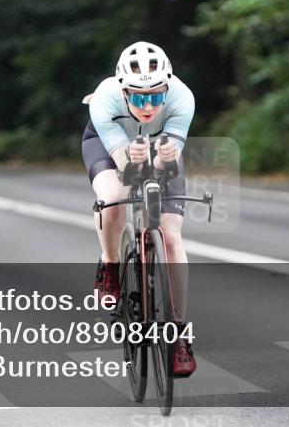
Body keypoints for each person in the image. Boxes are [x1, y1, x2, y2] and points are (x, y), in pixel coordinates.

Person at [82, 41, 197, 377]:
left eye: (156, 96)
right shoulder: (105, 99)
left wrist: (160, 162)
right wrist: (131, 160)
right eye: (138, 97)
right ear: (123, 91)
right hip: (108, 144)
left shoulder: (183, 98)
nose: (148, 106)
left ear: (168, 88)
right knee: (114, 199)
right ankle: (110, 263)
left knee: (172, 239)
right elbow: (126, 169)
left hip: (162, 147)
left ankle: (178, 335)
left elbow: (166, 165)